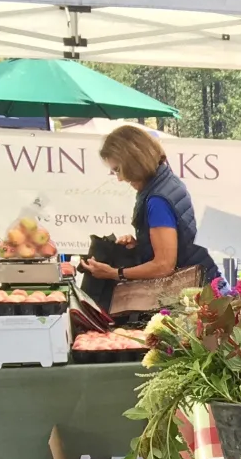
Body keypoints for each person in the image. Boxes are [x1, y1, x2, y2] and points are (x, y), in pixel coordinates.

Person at [81, 125, 217, 320]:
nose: (119, 178)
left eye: (118, 170)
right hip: (205, 282)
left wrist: (115, 273)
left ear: (133, 161)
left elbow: (164, 265)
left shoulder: (157, 199)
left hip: (194, 296)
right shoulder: (166, 180)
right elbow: (176, 239)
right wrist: (142, 244)